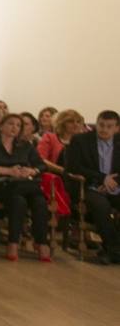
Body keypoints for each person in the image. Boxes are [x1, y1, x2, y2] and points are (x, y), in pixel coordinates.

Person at [0, 113, 50, 262]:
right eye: (11, 124)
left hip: (23, 184)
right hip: (2, 185)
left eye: (18, 125)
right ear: (1, 126)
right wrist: (8, 171)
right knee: (23, 199)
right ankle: (14, 243)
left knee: (39, 202)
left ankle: (40, 242)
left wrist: (31, 171)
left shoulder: (25, 146)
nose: (14, 128)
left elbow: (41, 165)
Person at [65, 110, 120, 264]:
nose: (104, 129)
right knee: (101, 205)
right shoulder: (80, 140)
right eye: (101, 125)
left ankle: (113, 249)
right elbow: (73, 167)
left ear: (117, 128)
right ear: (96, 123)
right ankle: (113, 250)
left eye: (109, 126)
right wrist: (102, 179)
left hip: (115, 186)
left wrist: (113, 181)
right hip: (88, 185)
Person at [37, 107, 81, 224]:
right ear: (62, 123)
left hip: (77, 177)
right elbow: (41, 159)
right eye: (71, 121)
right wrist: (62, 170)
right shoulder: (50, 137)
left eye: (78, 121)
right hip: (54, 175)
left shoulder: (82, 141)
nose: (75, 124)